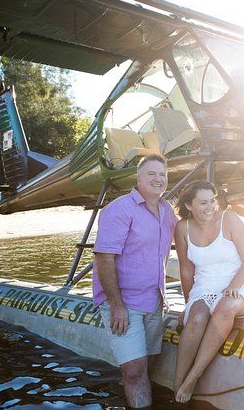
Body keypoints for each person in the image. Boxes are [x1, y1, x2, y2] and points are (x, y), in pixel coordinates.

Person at [93, 154, 176, 408]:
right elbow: (103, 258)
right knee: (134, 370)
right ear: (138, 178)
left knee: (146, 365)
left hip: (154, 300)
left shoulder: (167, 210)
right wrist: (116, 304)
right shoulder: (119, 209)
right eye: (151, 173)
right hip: (124, 301)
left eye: (162, 174)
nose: (158, 179)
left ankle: (130, 393)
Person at [173, 180, 244, 403]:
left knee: (224, 308)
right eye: (203, 202)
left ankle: (193, 377)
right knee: (197, 317)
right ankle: (176, 385)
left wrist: (234, 286)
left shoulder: (229, 219)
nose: (211, 206)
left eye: (212, 200)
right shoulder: (182, 227)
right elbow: (186, 270)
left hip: (238, 284)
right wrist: (188, 305)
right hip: (204, 286)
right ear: (189, 206)